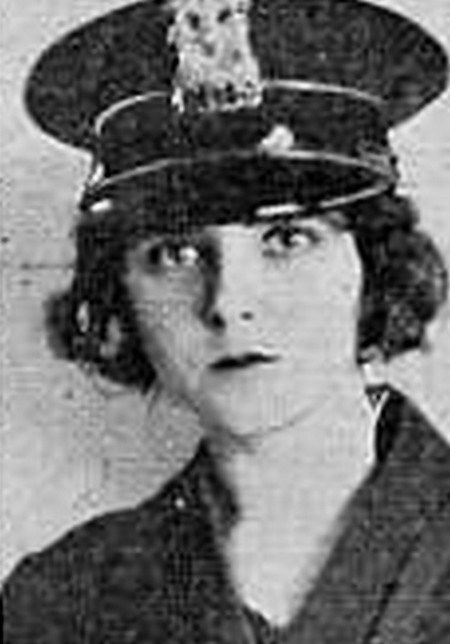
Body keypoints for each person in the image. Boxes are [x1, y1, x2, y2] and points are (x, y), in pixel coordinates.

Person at [3, 1, 449, 642]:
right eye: (175, 253)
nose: (227, 301)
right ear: (120, 296)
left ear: (373, 266)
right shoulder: (59, 601)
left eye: (288, 239)